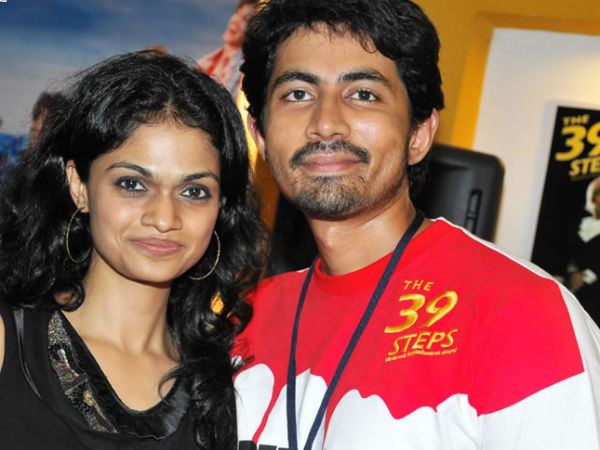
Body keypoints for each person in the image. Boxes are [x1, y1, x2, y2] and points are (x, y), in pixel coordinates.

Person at [232, 1, 600, 449]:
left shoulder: (521, 313)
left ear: (419, 135)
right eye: (297, 94)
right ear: (260, 134)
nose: (325, 123)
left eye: (363, 94)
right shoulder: (244, 318)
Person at [0, 50, 266, 450]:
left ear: (220, 208)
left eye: (194, 191)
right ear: (79, 186)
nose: (164, 217)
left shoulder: (225, 385)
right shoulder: (7, 342)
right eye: (133, 184)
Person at [196, 0, 258, 96]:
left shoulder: (245, 72)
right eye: (237, 13)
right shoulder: (206, 61)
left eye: (245, 19)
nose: (236, 21)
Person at [570, 176, 600, 322]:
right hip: (575, 291)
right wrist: (573, 273)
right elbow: (568, 254)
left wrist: (586, 277)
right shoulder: (580, 224)